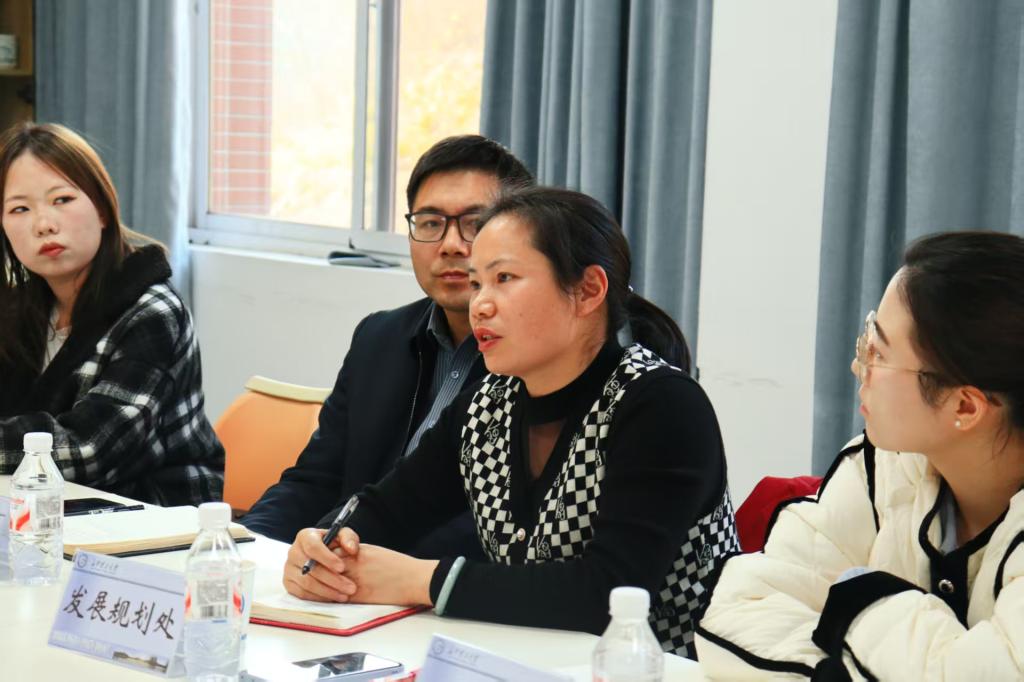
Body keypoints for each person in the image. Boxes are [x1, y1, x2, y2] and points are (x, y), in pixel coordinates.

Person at [283, 186, 738, 659]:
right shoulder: (487, 405)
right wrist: (324, 546)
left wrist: (423, 580)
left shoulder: (661, 405)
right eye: (477, 283)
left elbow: (607, 594)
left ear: (588, 291)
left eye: (504, 278)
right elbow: (386, 510)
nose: (480, 304)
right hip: (524, 663)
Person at [696, 232, 1024, 679]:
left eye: (878, 353)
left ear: (965, 406)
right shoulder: (884, 467)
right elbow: (737, 611)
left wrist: (860, 596)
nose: (858, 366)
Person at [242, 135, 534, 560]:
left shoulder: (537, 362)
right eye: (430, 223)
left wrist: (358, 559)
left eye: (475, 223)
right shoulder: (378, 338)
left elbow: (498, 528)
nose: (451, 244)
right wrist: (246, 548)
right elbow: (315, 480)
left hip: (434, 583)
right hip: (341, 570)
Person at [0, 122, 223, 506]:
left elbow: (90, 449)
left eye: (62, 199)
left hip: (152, 517)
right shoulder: (17, 309)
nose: (44, 224)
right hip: (43, 511)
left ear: (102, 210)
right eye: (20, 208)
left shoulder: (153, 313)